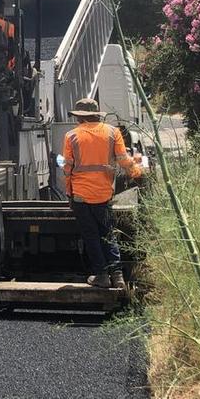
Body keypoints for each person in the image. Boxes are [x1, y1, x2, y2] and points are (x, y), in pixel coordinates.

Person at [62, 98, 142, 289]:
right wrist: (137, 172)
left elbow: (67, 169)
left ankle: (101, 276)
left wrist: (69, 193)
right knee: (108, 234)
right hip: (104, 194)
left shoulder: (71, 136)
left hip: (81, 196)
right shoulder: (113, 132)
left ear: (80, 117)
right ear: (96, 114)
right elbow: (123, 160)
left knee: (91, 236)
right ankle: (118, 276)